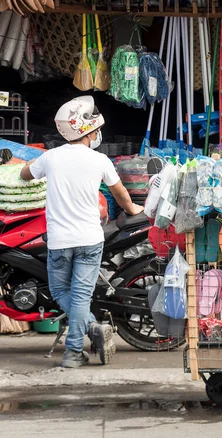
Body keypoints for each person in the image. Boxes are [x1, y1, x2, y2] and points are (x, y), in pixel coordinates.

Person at [20, 96, 144, 368]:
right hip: (90, 239)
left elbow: (25, 175)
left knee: (61, 292)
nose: (98, 134)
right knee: (78, 296)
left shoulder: (50, 158)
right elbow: (120, 193)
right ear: (88, 131)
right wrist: (132, 209)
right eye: (97, 130)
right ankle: (89, 332)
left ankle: (75, 350)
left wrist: (26, 166)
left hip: (59, 241)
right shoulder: (100, 160)